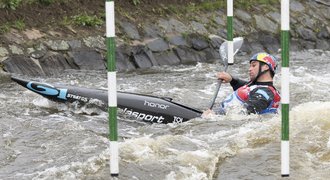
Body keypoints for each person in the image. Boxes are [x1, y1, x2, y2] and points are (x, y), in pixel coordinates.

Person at [204, 52, 281, 116]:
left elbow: (246, 110)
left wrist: (215, 114)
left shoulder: (265, 92)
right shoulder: (257, 86)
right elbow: (247, 88)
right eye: (250, 66)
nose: (249, 69)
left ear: (265, 67)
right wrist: (231, 79)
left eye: (254, 65)